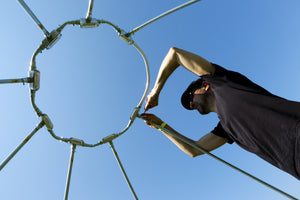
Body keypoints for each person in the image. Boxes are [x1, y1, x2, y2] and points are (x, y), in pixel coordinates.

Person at [141, 47, 300, 180]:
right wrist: (161, 126)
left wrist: (156, 91)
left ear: (205, 85)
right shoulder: (225, 129)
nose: (191, 104)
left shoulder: (223, 82)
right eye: (189, 106)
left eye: (190, 96)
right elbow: (195, 149)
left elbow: (174, 54)